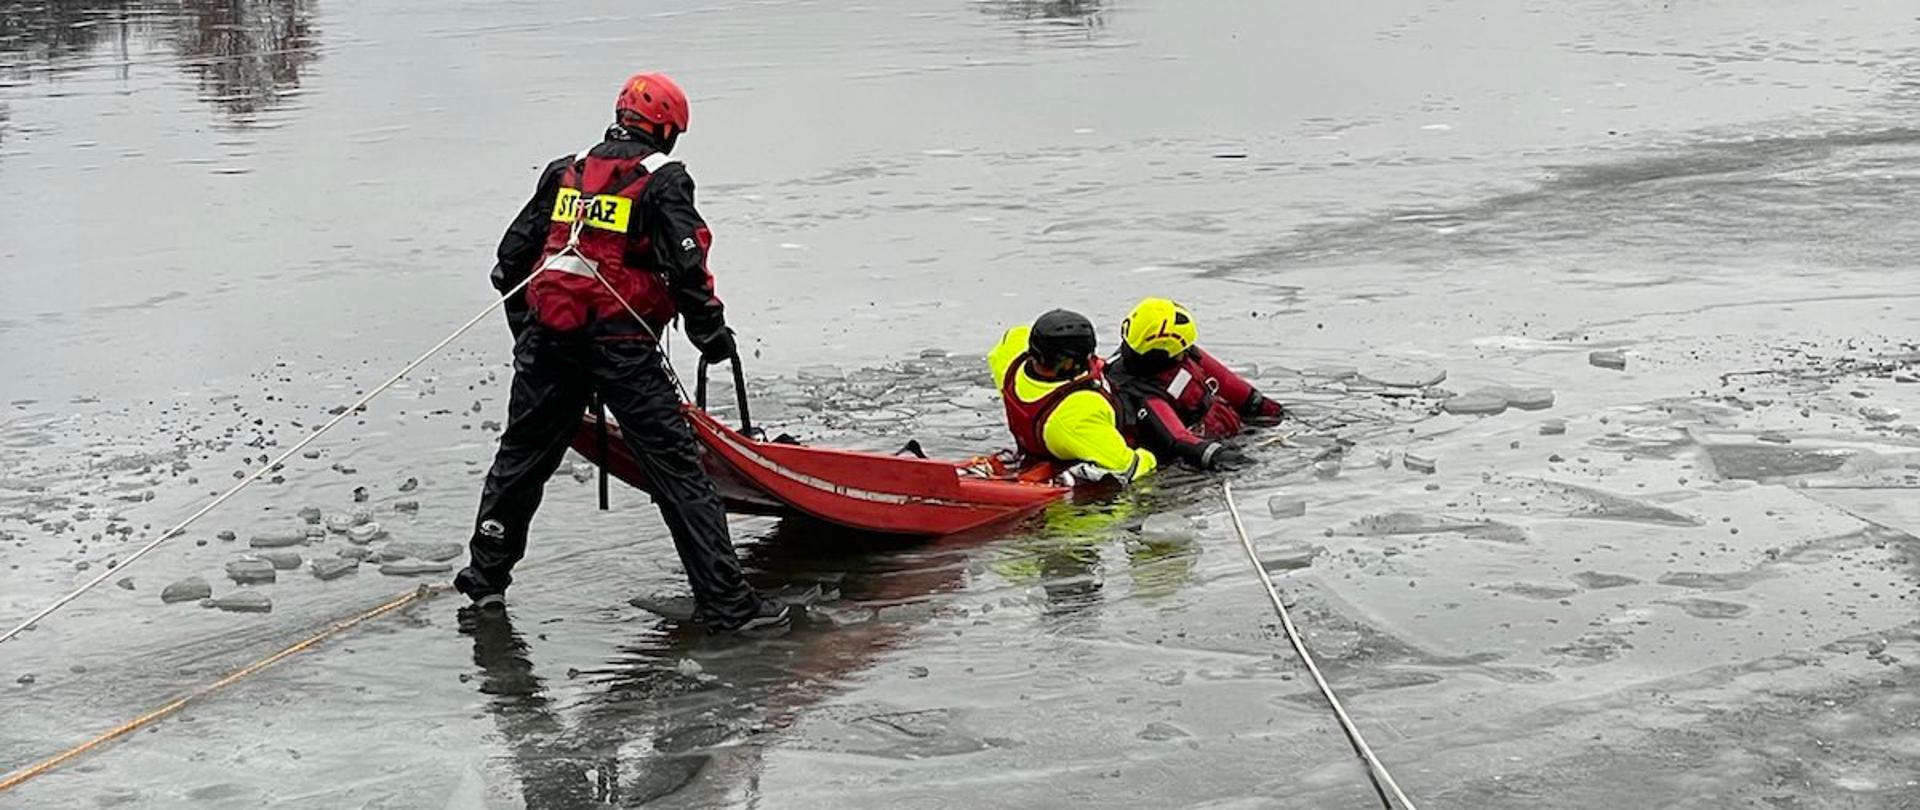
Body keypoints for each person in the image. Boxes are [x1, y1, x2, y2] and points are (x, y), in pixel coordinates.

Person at [455, 72, 788, 632]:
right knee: (679, 472)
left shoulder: (565, 172)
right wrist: (711, 335)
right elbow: (688, 267)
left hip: (549, 341)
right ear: (666, 129)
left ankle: (485, 576)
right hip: (621, 346)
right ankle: (729, 605)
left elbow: (510, 261)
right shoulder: (664, 180)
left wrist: (529, 337)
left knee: (521, 459)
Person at [1106, 298, 1285, 471]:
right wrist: (1238, 461)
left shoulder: (1183, 354)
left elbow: (1234, 387)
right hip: (1197, 449)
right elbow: (1178, 440)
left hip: (1228, 426)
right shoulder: (1140, 393)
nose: (1185, 352)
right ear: (1166, 351)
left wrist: (1269, 409)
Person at [988, 309, 1158, 485]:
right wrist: (1153, 456)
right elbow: (1129, 467)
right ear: (1069, 363)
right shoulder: (1078, 416)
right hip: (1100, 430)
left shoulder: (1009, 358)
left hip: (1035, 444)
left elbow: (1015, 335)